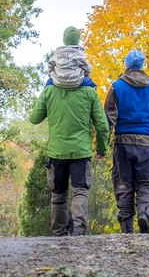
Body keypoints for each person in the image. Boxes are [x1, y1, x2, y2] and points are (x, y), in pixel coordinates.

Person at [29, 58, 109, 237]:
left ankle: (59, 233)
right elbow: (102, 125)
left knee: (58, 193)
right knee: (80, 191)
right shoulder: (89, 92)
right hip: (81, 152)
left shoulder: (49, 91)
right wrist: (102, 148)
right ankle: (78, 232)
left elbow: (34, 118)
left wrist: (46, 94)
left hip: (57, 152)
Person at [104, 49, 149, 234]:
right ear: (142, 66)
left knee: (123, 183)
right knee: (146, 184)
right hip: (146, 144)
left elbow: (108, 118)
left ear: (127, 65)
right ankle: (144, 212)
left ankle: (127, 228)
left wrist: (102, 145)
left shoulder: (117, 86)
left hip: (122, 143)